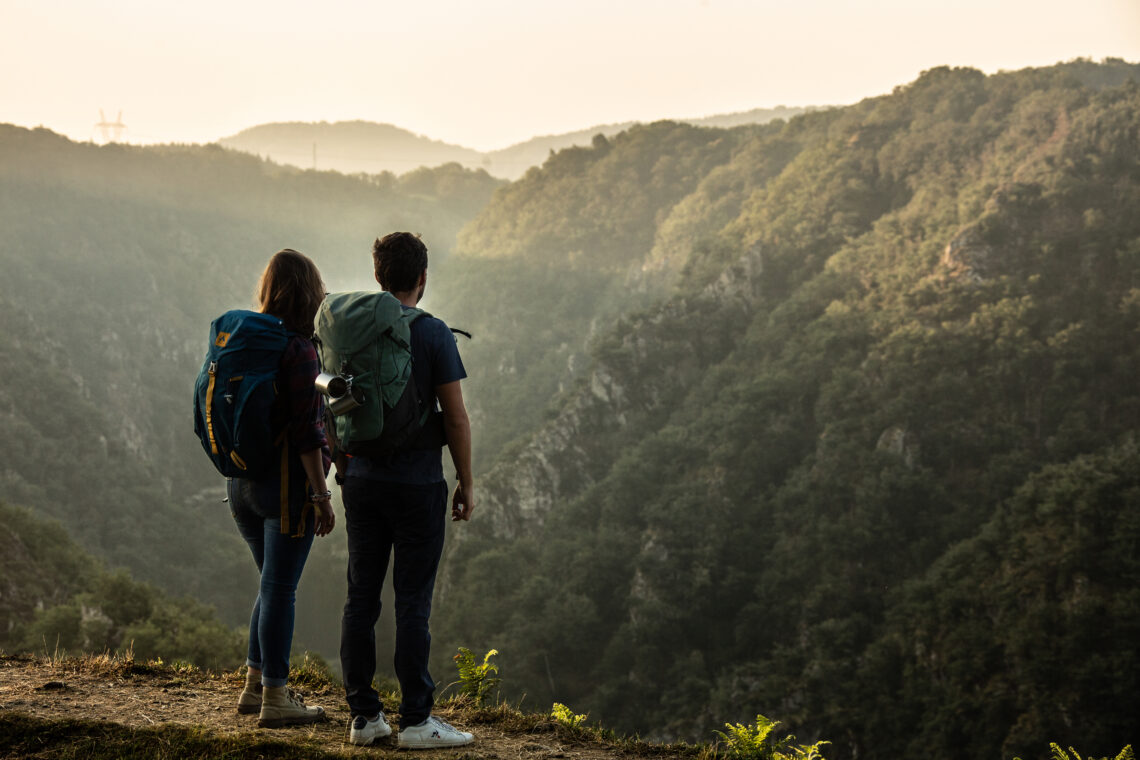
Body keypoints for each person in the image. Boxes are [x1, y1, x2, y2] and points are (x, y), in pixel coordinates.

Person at [338, 232, 475, 748]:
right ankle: (417, 720)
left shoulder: (354, 331)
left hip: (361, 480)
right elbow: (456, 418)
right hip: (417, 484)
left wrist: (339, 462)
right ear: (422, 278)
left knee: (360, 597)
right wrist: (465, 480)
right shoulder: (434, 333)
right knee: (412, 600)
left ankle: (364, 718)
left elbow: (331, 401)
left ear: (377, 276)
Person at [230, 249, 335, 728]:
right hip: (285, 487)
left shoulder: (251, 339)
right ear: (309, 293)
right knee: (280, 589)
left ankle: (255, 688)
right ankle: (276, 695)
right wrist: (320, 495)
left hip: (241, 484)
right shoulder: (299, 349)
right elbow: (309, 433)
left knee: (270, 585)